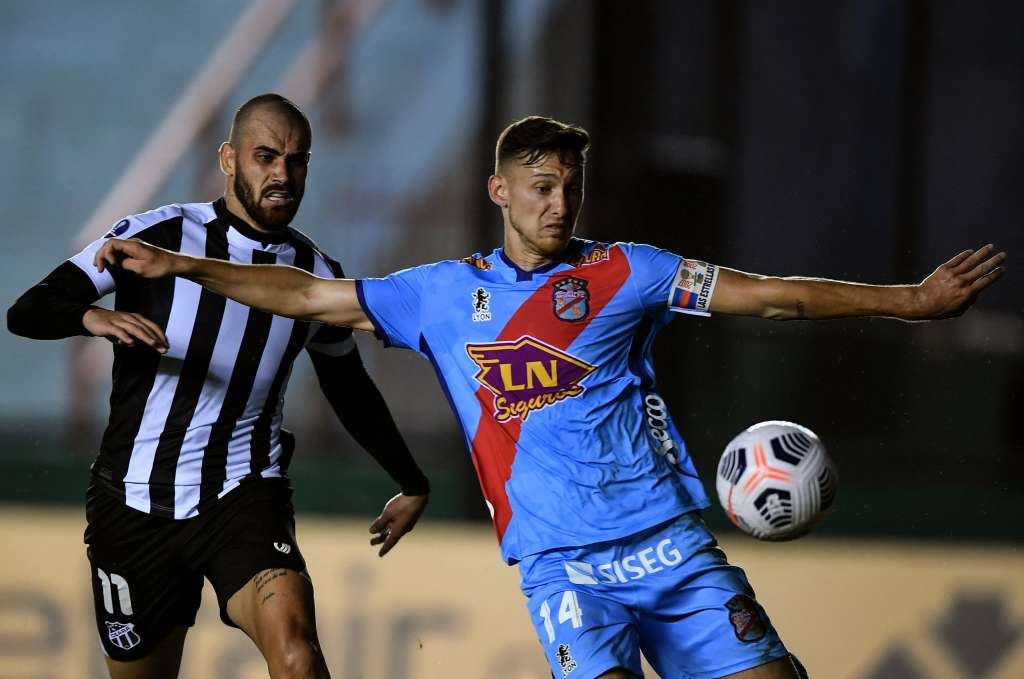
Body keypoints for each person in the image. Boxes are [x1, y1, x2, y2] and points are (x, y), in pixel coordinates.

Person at [92, 115, 1006, 679]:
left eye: (570, 186)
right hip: (563, 567)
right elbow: (306, 296)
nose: (559, 202)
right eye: (540, 186)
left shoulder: (631, 272)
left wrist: (910, 302)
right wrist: (185, 267)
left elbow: (769, 295)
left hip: (672, 548)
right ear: (500, 191)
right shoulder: (442, 294)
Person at [6, 93, 430, 679]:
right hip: (132, 502)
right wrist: (90, 317)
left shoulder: (316, 276)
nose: (282, 174)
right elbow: (28, 310)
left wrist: (410, 481)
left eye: (297, 160)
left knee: (297, 655)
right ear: (229, 159)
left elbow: (347, 384)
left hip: (243, 497)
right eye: (266, 157)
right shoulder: (157, 235)